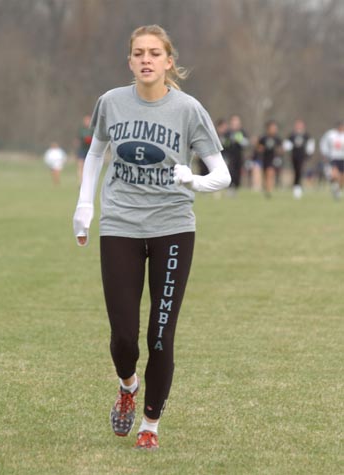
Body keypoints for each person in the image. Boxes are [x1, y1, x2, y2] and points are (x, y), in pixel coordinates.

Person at [72, 25, 230, 450]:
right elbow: (95, 152)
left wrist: (194, 181)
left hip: (173, 227)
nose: (146, 59)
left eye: (155, 53)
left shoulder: (188, 110)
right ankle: (128, 385)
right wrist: (84, 206)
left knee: (160, 334)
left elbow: (223, 175)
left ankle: (150, 425)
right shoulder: (111, 102)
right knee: (123, 336)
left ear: (168, 61)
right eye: (139, 53)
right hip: (120, 224)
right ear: (130, 61)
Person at [283, 119, 314, 199]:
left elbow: (310, 145)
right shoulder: (292, 135)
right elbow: (286, 145)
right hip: (294, 156)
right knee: (296, 171)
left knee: (300, 171)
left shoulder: (306, 135)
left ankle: (298, 188)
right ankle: (296, 187)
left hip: (303, 156)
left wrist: (309, 154)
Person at [256, 120, 283, 198]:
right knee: (265, 175)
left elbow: (281, 149)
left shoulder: (277, 139)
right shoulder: (263, 138)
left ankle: (269, 190)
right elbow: (258, 148)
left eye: (275, 128)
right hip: (264, 159)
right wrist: (261, 148)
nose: (274, 130)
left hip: (274, 159)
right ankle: (267, 188)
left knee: (270, 173)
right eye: (272, 128)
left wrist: (278, 150)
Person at [223, 114, 249, 194]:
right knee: (231, 171)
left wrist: (240, 140)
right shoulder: (227, 133)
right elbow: (224, 143)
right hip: (229, 156)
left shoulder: (242, 132)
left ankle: (236, 187)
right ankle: (230, 187)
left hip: (239, 155)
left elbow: (246, 143)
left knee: (238, 172)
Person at [319, 121, 344, 200]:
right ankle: (335, 187)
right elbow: (323, 143)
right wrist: (325, 154)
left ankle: (336, 189)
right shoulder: (330, 134)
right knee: (334, 174)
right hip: (333, 157)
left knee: (342, 178)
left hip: (342, 158)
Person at [76, 115, 93, 183]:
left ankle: (88, 181)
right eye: (86, 121)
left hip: (90, 150)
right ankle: (80, 181)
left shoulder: (93, 130)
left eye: (88, 120)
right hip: (82, 149)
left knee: (89, 167)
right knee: (80, 165)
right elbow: (78, 139)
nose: (87, 122)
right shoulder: (81, 130)